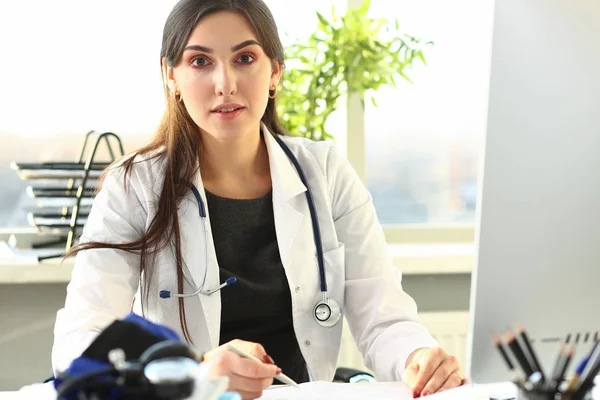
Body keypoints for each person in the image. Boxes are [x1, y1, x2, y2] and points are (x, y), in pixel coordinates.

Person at [51, 0, 465, 399]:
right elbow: (80, 343)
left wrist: (417, 356)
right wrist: (195, 372)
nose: (225, 84)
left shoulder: (326, 172)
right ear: (170, 76)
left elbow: (384, 320)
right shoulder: (134, 186)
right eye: (200, 61)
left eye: (245, 59)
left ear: (275, 72)